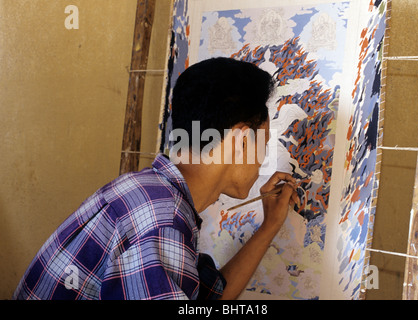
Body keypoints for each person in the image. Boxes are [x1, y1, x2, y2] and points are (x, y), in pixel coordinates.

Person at [13, 57, 299, 300]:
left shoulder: (153, 192)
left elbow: (209, 296)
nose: (262, 162)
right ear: (240, 141)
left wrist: (270, 226)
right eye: (263, 145)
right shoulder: (161, 218)